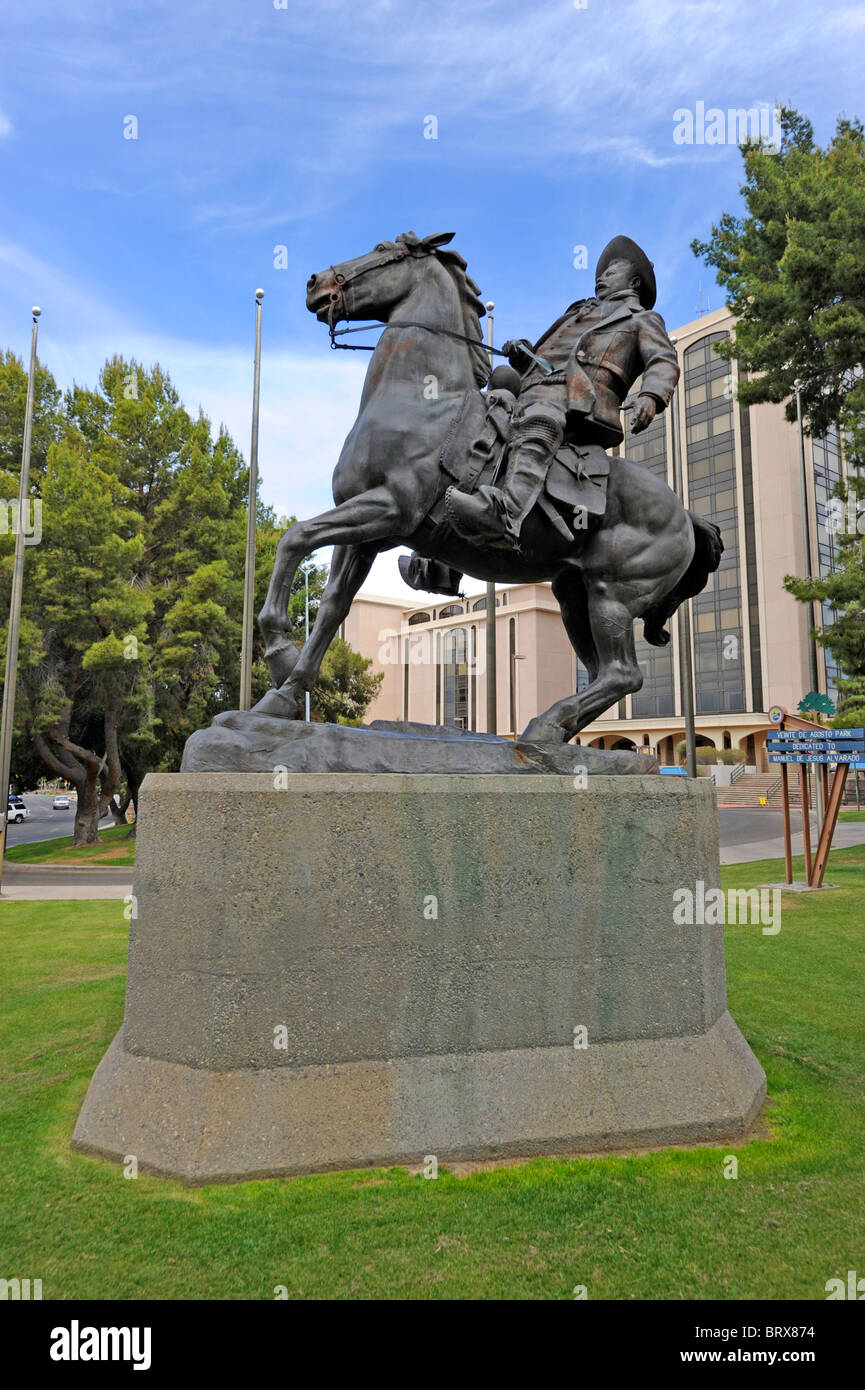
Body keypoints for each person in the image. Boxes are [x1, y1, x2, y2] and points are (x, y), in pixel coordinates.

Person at [444, 235, 680, 548]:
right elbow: (548, 354)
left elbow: (663, 360)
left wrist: (650, 396)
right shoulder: (577, 313)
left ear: (634, 281)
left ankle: (507, 513)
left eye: (612, 272)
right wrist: (522, 355)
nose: (602, 277)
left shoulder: (642, 319)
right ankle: (444, 534)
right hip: (530, 386)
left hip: (576, 398)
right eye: (601, 273)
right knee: (474, 413)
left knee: (541, 414)